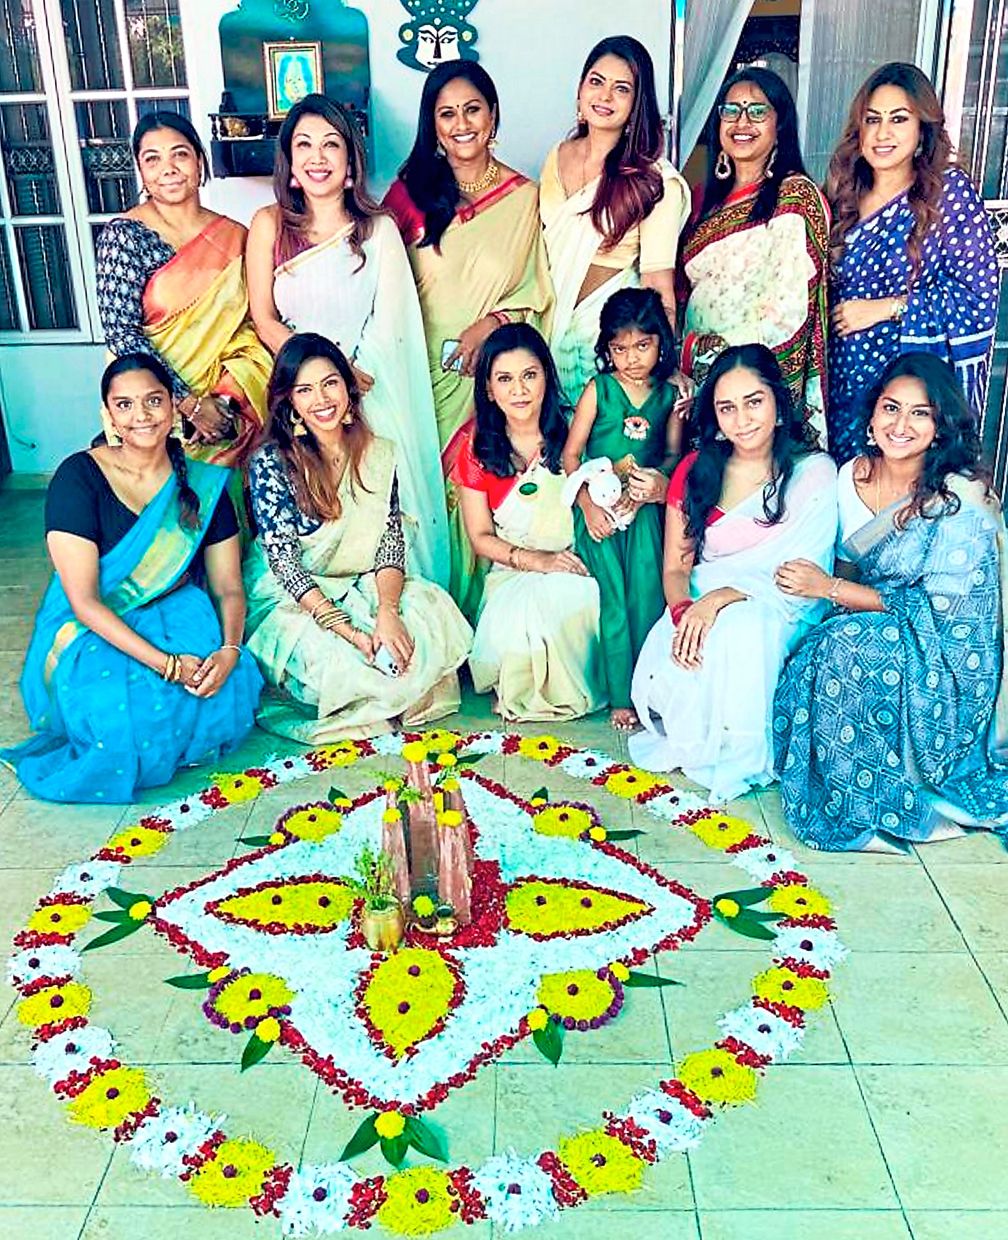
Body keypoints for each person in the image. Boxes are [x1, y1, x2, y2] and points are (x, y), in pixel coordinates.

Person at [0, 355, 262, 803]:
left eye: (153, 401)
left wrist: (229, 650)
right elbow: (85, 601)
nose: (141, 415)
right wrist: (168, 665)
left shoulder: (204, 484)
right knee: (119, 715)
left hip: (178, 609)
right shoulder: (78, 477)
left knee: (224, 687)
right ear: (108, 414)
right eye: (124, 404)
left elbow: (228, 587)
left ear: (174, 406)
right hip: (94, 623)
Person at [774, 353, 1008, 851]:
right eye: (891, 408)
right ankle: (851, 791)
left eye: (920, 413)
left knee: (850, 645)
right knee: (820, 647)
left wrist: (829, 590)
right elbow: (847, 562)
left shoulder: (960, 498)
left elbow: (948, 615)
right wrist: (831, 599)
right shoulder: (850, 475)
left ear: (941, 426)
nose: (901, 425)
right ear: (873, 414)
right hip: (872, 618)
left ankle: (883, 797)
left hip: (947, 659)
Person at [245, 95, 449, 586]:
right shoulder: (268, 225)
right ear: (289, 162)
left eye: (331, 144)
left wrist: (349, 381)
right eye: (304, 145)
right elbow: (264, 318)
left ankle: (391, 602)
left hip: (367, 388)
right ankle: (320, 604)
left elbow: (395, 326)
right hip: (298, 391)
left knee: (385, 514)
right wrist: (321, 374)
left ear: (351, 161)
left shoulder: (377, 231)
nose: (317, 157)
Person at [384, 61, 554, 620]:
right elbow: (379, 286)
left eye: (472, 110)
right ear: (432, 125)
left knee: (475, 488)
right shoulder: (408, 196)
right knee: (418, 493)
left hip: (487, 380)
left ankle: (474, 620)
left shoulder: (523, 199)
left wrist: (493, 324)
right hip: (416, 376)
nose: (461, 124)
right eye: (447, 114)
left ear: (493, 116)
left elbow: (538, 293)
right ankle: (428, 619)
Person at [629, 344, 837, 801]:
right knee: (698, 642)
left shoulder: (814, 473)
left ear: (779, 403)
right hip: (695, 600)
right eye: (727, 408)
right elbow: (676, 567)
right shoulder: (695, 470)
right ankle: (706, 737)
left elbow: (802, 577)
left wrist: (720, 599)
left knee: (742, 628)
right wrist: (684, 612)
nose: (741, 420)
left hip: (780, 607)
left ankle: (742, 748)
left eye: (753, 402)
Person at [243, 333, 471, 743]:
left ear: (348, 389)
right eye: (304, 390)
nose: (321, 399)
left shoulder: (377, 453)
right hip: (295, 596)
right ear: (289, 402)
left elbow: (389, 543)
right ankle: (371, 700)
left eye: (330, 383)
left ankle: (381, 696)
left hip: (363, 583)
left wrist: (388, 613)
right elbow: (286, 566)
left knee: (427, 616)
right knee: (337, 664)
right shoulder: (271, 462)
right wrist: (351, 634)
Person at [825, 63, 998, 465]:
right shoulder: (842, 196)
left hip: (911, 395)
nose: (883, 133)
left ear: (922, 130)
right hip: (843, 388)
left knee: (909, 495)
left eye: (899, 119)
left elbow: (977, 300)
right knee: (851, 492)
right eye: (873, 120)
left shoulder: (947, 195)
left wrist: (886, 307)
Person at [95, 111, 271, 470]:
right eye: (153, 159)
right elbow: (122, 333)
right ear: (141, 171)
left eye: (180, 154)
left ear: (199, 162)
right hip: (151, 409)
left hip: (229, 409)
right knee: (163, 499)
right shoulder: (125, 236)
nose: (169, 168)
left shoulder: (236, 236)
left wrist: (224, 400)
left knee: (230, 501)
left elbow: (249, 328)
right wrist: (188, 403)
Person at [453, 324, 604, 721]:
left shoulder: (576, 431)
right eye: (504, 379)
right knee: (519, 629)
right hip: (513, 571)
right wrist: (537, 561)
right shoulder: (476, 445)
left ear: (546, 377)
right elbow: (480, 537)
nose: (519, 390)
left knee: (571, 600)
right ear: (488, 389)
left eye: (529, 375)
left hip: (577, 562)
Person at [539, 35, 690, 407]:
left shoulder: (655, 181)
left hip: (607, 340)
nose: (605, 96)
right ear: (580, 89)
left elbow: (657, 283)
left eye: (621, 88)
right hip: (545, 325)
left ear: (637, 103)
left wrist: (664, 362)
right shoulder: (557, 155)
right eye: (596, 81)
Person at [680, 69, 829, 441]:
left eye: (757, 111)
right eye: (731, 110)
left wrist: (714, 356)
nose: (742, 122)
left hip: (756, 383)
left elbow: (789, 310)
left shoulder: (795, 196)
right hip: (698, 383)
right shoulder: (702, 200)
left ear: (780, 124)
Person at [563, 288, 686, 731]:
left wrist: (655, 484)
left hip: (645, 511)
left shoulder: (669, 396)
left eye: (642, 345)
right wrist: (586, 506)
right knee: (612, 598)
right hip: (599, 509)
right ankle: (620, 695)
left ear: (660, 343)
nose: (631, 358)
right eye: (619, 348)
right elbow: (570, 455)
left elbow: (673, 456)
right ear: (607, 348)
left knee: (647, 596)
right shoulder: (599, 390)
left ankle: (647, 688)